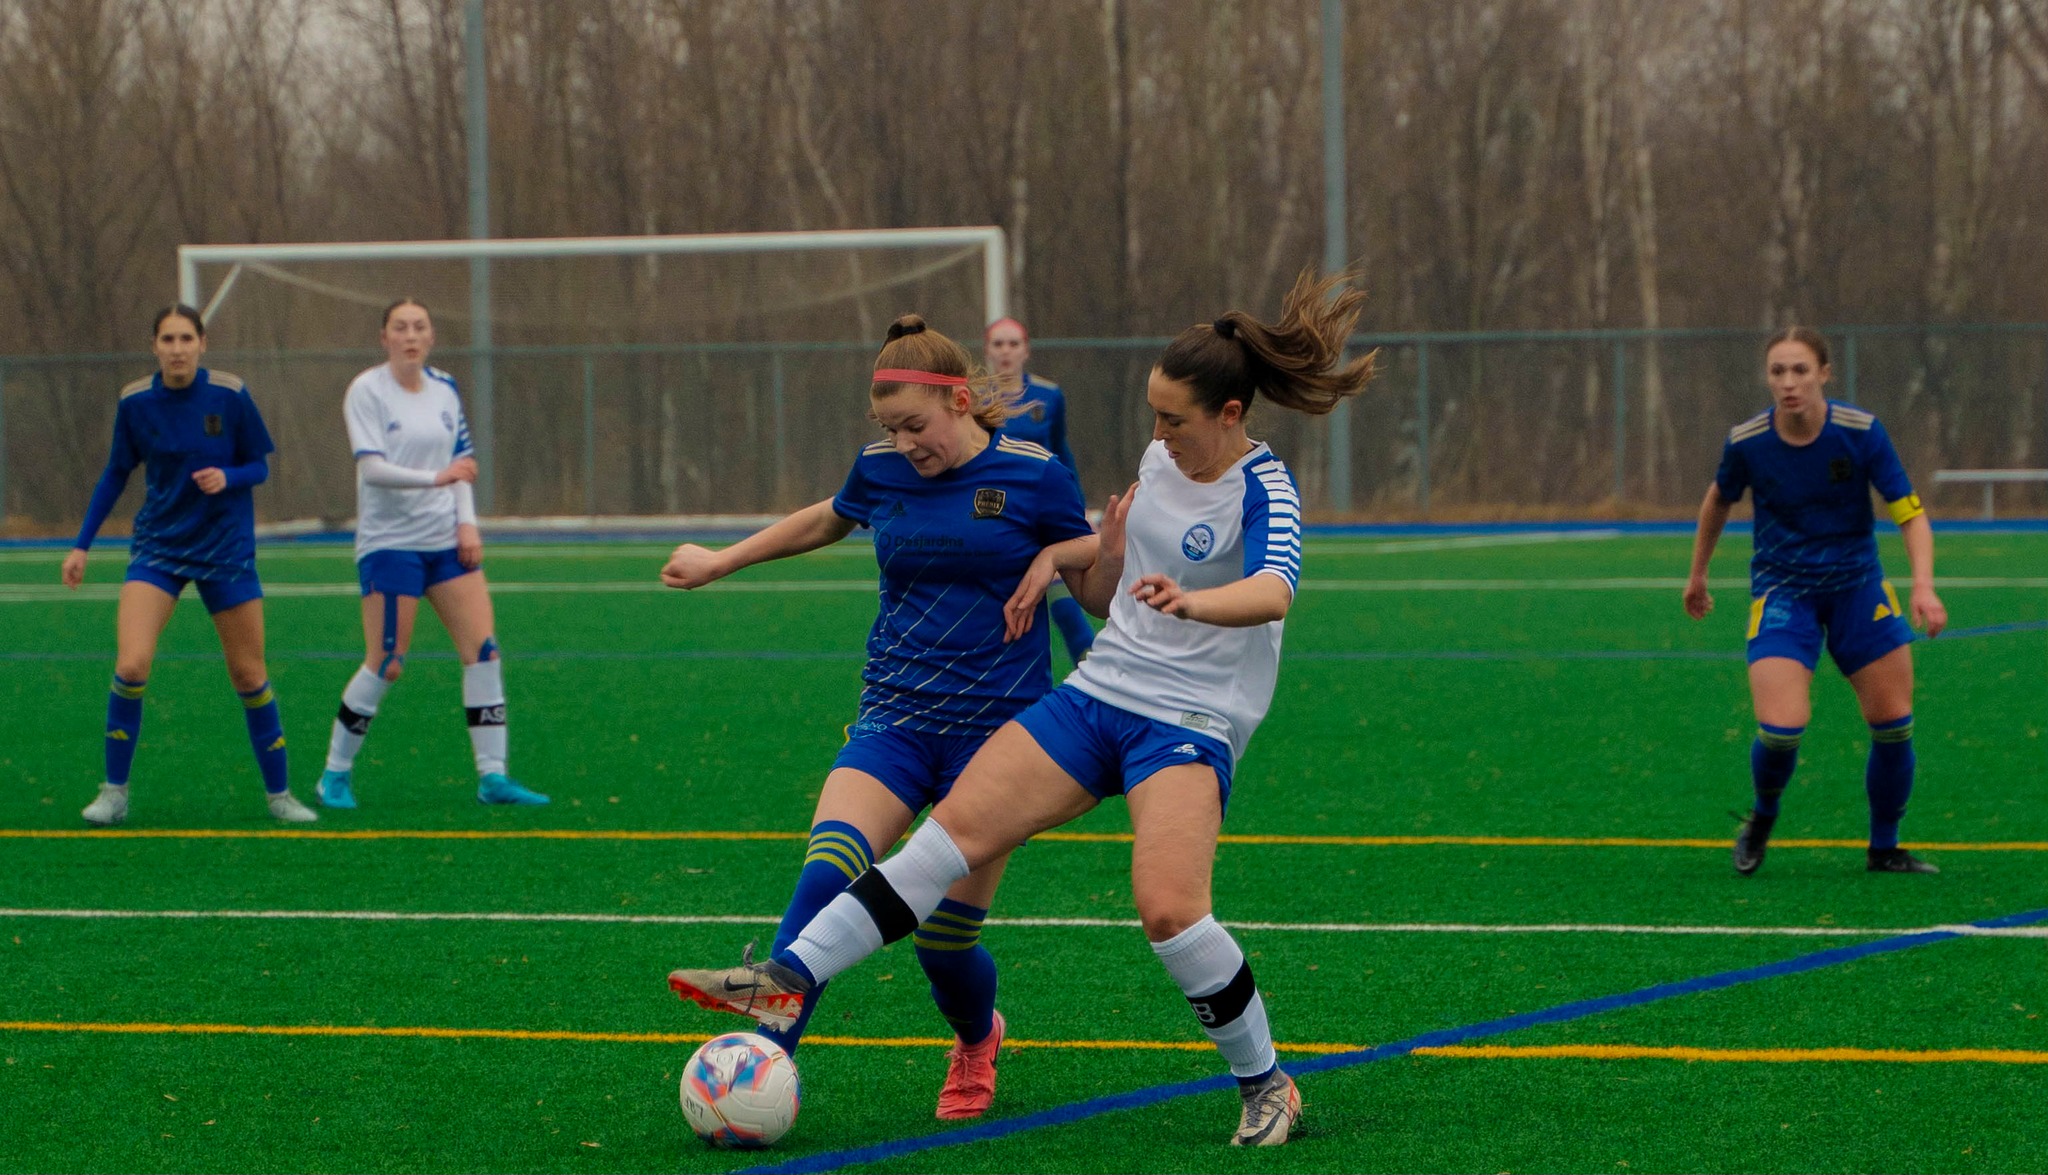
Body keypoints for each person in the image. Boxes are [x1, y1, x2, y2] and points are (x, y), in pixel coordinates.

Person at [667, 270, 1374, 1147]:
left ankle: (1268, 1085)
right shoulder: (1160, 463)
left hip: (1190, 717)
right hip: (1100, 691)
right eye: (1153, 416)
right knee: (945, 838)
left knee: (1168, 909)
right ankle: (784, 977)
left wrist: (1194, 603)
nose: (1157, 435)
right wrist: (1072, 558)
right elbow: (1111, 572)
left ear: (1231, 413)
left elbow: (1273, 592)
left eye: (1175, 419)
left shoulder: (1265, 488)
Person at [662, 314, 1093, 1119]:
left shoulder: (1034, 475)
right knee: (828, 874)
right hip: (895, 714)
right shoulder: (882, 469)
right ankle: (763, 1059)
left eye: (916, 426)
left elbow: (1094, 558)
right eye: (890, 429)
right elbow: (829, 514)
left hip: (1000, 738)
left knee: (942, 942)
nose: (905, 444)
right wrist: (723, 559)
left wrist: (1059, 555)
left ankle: (975, 1038)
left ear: (960, 400)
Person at [1683, 325, 1947, 876]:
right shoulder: (1748, 440)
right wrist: (1698, 575)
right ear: (1767, 378)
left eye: (1800, 370)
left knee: (1893, 721)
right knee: (1781, 728)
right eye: (1778, 371)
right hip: (1785, 592)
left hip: (1858, 589)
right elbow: (1717, 501)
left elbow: (1909, 511)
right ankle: (1762, 817)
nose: (1789, 383)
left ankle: (1884, 847)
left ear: (1824, 373)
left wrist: (1922, 584)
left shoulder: (1861, 431)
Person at [64, 305, 317, 825]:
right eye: (167, 339)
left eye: (186, 338)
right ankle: (114, 792)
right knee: (131, 664)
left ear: (203, 342)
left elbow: (259, 466)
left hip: (225, 550)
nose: (177, 348)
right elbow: (115, 473)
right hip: (158, 548)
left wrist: (230, 477)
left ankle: (280, 796)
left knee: (249, 674)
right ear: (153, 346)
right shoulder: (135, 402)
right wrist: (81, 544)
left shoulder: (230, 393)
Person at [314, 299, 547, 809]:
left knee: (483, 651)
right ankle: (334, 774)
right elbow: (373, 468)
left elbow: (461, 462)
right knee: (387, 662)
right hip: (390, 543)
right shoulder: (367, 391)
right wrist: (434, 479)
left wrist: (467, 522)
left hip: (445, 541)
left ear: (431, 336)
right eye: (400, 327)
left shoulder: (445, 387)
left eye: (420, 326)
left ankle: (493, 778)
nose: (410, 335)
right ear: (385, 338)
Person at [985, 316, 1095, 664]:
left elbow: (1061, 453)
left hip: (1042, 510)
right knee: (1003, 603)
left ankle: (1091, 666)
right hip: (993, 514)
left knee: (1060, 589)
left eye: (1013, 344)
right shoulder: (974, 398)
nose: (1006, 351)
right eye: (998, 344)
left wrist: (1077, 507)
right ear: (987, 350)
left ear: (1026, 350)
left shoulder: (1048, 395)